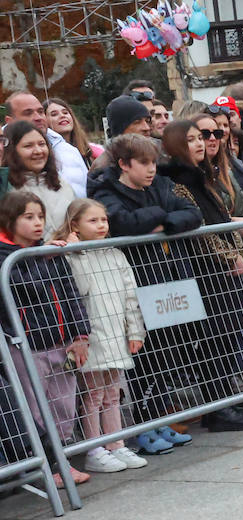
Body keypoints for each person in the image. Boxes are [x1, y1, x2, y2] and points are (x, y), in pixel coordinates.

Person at [88, 132, 201, 454]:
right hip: (139, 282)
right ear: (124, 164)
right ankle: (145, 424)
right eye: (144, 163)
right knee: (147, 357)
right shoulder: (106, 191)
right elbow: (123, 222)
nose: (151, 169)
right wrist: (162, 217)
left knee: (171, 351)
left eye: (153, 162)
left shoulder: (161, 185)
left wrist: (163, 223)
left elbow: (191, 212)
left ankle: (161, 419)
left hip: (170, 280)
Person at [160, 119, 243, 433]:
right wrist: (229, 255)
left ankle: (224, 403)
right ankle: (217, 407)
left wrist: (238, 252)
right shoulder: (179, 182)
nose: (199, 144)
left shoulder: (205, 176)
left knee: (229, 338)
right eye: (191, 139)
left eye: (199, 138)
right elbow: (200, 231)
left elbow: (221, 218)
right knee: (215, 341)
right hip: (206, 272)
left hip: (224, 271)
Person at [0, 191, 91, 488]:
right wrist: (41, 257)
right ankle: (50, 465)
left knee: (64, 405)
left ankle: (64, 458)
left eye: (40, 216)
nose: (38, 223)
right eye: (29, 217)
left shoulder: (49, 252)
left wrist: (80, 334)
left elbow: (71, 293)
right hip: (27, 345)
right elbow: (17, 286)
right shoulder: (6, 255)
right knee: (36, 407)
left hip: (60, 341)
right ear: (10, 220)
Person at [57, 199, 149, 474]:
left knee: (112, 392)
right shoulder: (71, 257)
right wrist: (75, 249)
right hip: (92, 335)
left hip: (115, 333)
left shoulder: (115, 254)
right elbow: (79, 289)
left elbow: (131, 296)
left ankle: (116, 444)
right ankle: (94, 448)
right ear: (75, 225)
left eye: (103, 220)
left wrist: (135, 330)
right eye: (92, 221)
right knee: (93, 394)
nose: (101, 226)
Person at [2, 121, 76, 240]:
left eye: (41, 144)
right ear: (12, 151)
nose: (38, 151)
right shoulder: (7, 188)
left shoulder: (62, 185)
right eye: (28, 146)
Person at [4, 92, 86, 197]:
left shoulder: (68, 150)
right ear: (10, 121)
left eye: (41, 111)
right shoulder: (3, 154)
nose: (38, 117)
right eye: (28, 113)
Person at [44, 99, 102, 169]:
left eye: (65, 112)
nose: (62, 116)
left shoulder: (92, 151)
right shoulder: (45, 155)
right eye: (54, 114)